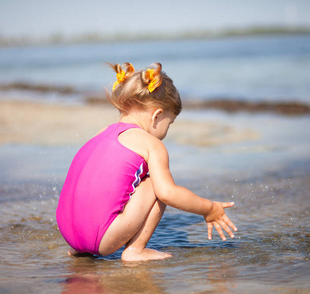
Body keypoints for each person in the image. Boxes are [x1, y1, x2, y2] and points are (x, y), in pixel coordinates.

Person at [56, 62, 237, 261]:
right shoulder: (151, 144)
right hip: (101, 239)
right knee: (155, 185)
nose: (167, 131)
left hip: (69, 235)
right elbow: (168, 194)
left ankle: (80, 247)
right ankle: (136, 250)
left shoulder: (100, 134)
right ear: (157, 116)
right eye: (169, 123)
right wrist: (209, 208)